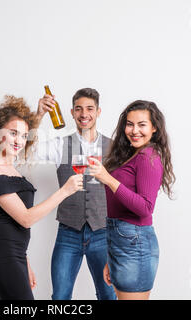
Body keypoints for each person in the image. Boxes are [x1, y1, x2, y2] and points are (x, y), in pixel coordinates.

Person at [0, 95, 83, 300]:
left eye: (24, 135)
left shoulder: (9, 165)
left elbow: (12, 223)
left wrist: (23, 261)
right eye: (13, 133)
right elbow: (25, 218)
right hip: (0, 255)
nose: (19, 140)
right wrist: (64, 191)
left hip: (14, 254)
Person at [88, 100, 175, 300]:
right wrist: (111, 257)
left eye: (142, 124)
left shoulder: (148, 157)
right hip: (122, 243)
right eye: (129, 124)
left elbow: (145, 208)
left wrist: (107, 179)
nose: (134, 130)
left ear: (154, 128)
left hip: (135, 246)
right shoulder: (132, 154)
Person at [36, 88, 116, 300]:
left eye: (90, 109)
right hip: (68, 232)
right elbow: (25, 148)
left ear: (98, 112)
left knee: (108, 295)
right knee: (60, 297)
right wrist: (38, 115)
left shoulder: (115, 148)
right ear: (71, 112)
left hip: (103, 233)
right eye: (79, 109)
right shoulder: (60, 144)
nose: (84, 114)